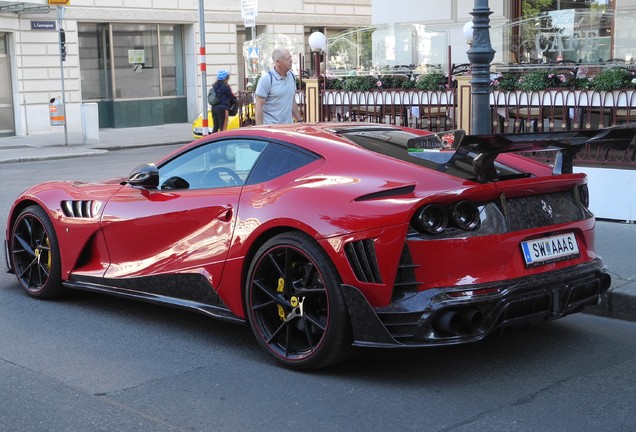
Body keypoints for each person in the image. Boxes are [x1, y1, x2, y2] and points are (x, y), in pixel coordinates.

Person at [254, 47, 303, 125]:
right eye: (287, 59)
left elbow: (292, 101)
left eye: (291, 58)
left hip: (287, 127)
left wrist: (300, 121)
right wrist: (260, 128)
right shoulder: (266, 79)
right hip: (271, 128)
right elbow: (259, 105)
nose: (291, 61)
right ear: (277, 62)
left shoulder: (291, 76)